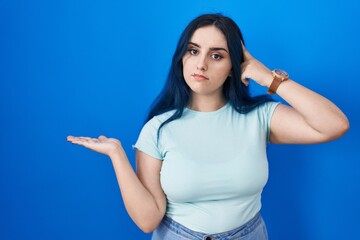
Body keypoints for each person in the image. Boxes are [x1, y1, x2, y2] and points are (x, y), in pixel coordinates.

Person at [67, 13, 349, 240]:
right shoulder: (158, 128)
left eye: (217, 55)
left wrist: (268, 78)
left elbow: (334, 125)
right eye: (193, 51)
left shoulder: (260, 117)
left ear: (234, 67)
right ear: (181, 58)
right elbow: (148, 220)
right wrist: (117, 154)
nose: (200, 64)